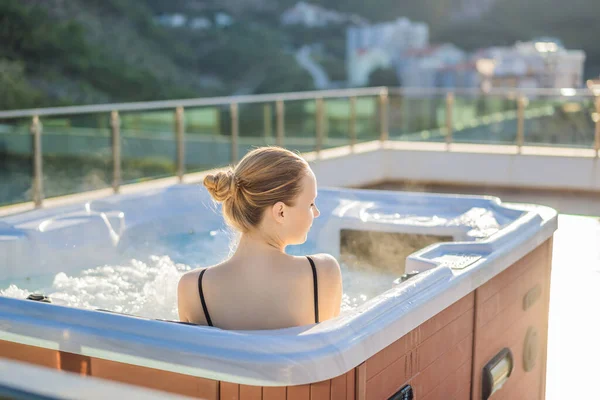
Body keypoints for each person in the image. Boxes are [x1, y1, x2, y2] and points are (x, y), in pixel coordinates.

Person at [177, 147, 342, 330]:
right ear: (280, 212)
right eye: (310, 203)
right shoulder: (322, 272)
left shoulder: (192, 288)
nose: (316, 212)